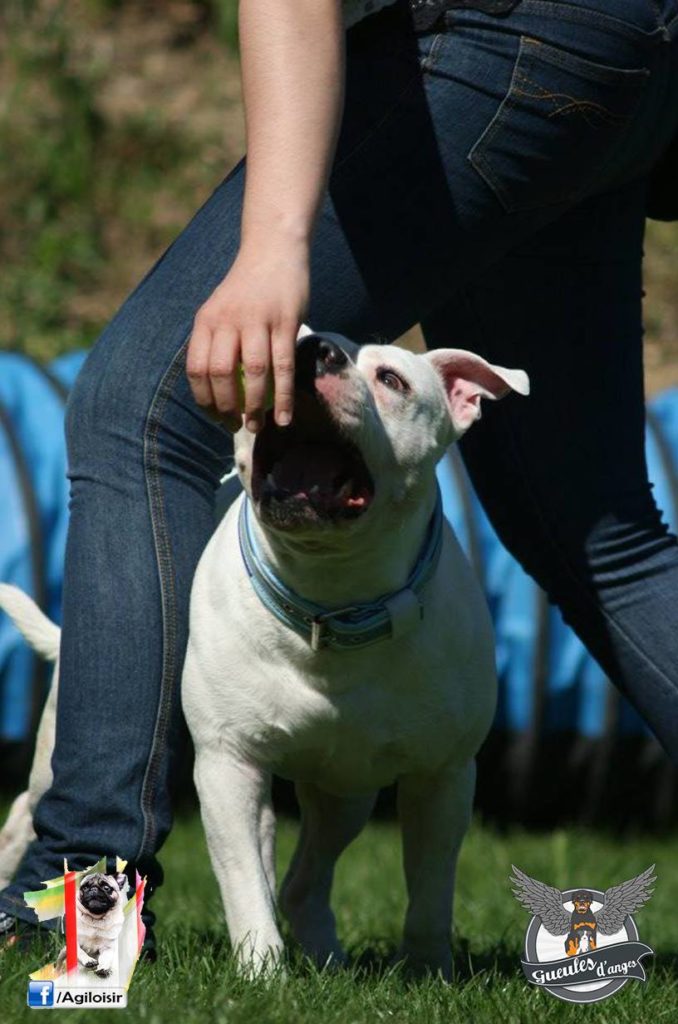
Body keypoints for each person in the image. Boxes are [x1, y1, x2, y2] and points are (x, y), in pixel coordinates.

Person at [1, 0, 678, 951]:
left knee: (139, 412)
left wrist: (278, 245)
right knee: (602, 536)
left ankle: (76, 906)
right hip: (621, 58)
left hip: (500, 43)